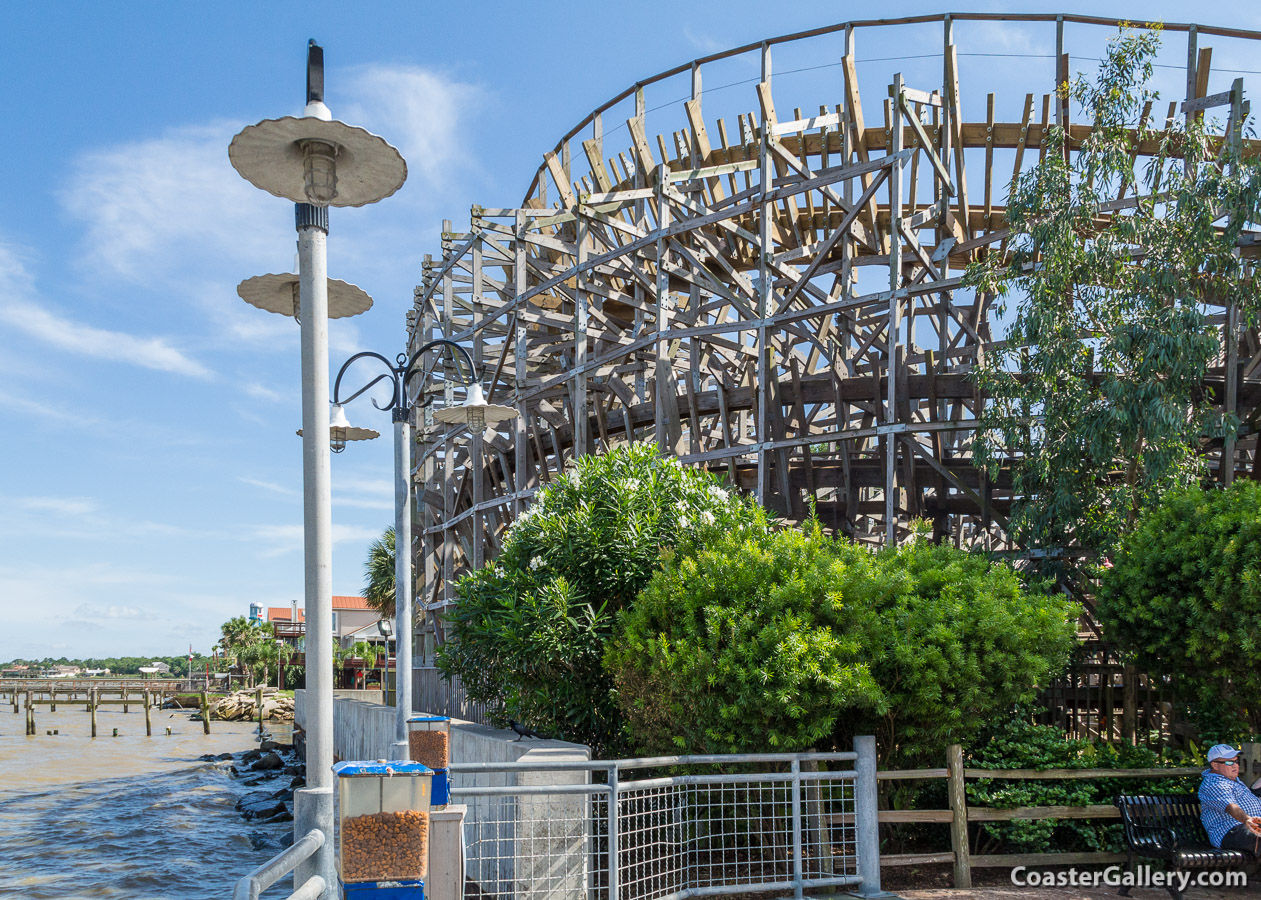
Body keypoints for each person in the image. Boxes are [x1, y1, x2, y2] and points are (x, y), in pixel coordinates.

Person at [1199, 744, 1261, 854]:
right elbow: (1231, 807)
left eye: (1236, 762)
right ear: (1215, 765)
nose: (1235, 766)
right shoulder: (1214, 784)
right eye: (1229, 762)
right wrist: (1247, 820)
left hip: (1246, 829)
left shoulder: (1233, 781)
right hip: (1230, 832)